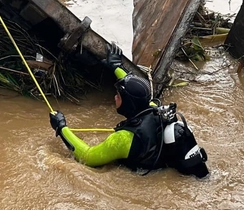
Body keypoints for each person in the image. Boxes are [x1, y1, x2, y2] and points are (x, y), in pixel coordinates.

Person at [49, 44, 209, 177]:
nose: (115, 98)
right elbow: (138, 91)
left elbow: (88, 157)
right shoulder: (154, 109)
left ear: (128, 104)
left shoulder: (123, 139)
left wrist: (61, 128)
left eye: (118, 96)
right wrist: (116, 67)